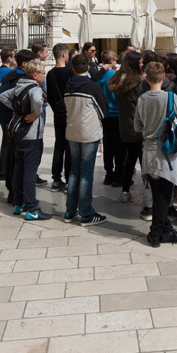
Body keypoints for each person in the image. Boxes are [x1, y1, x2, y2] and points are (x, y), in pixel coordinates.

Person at [135, 61, 177, 246]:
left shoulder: (142, 98)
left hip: (148, 151)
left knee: (159, 194)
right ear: (164, 77)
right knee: (164, 196)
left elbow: (137, 126)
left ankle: (166, 231)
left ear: (146, 78)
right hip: (166, 152)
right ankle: (155, 232)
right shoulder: (170, 97)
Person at [64, 53, 108, 225]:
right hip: (89, 133)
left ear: (73, 69)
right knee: (86, 174)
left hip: (72, 131)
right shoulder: (92, 87)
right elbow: (103, 110)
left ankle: (70, 211)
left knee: (74, 171)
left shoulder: (68, 86)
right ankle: (86, 213)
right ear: (88, 68)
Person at [4, 61, 49, 220]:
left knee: (19, 169)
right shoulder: (35, 88)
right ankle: (32, 208)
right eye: (43, 73)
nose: (44, 76)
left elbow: (3, 96)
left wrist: (17, 110)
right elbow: (38, 101)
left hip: (19, 134)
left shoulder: (19, 85)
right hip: (32, 135)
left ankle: (18, 203)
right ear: (35, 75)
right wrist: (36, 113)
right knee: (30, 171)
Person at [109, 51, 145, 203]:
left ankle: (125, 190)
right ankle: (149, 189)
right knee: (143, 158)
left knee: (131, 156)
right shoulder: (138, 82)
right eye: (141, 62)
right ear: (134, 63)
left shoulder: (118, 79)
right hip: (139, 125)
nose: (142, 64)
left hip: (124, 124)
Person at [46, 44, 73, 191]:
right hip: (70, 114)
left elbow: (50, 96)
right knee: (69, 147)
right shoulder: (70, 72)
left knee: (59, 145)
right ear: (63, 55)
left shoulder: (50, 74)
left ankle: (56, 179)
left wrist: (57, 109)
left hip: (58, 114)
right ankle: (69, 179)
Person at [98, 50, 122, 187]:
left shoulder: (99, 76)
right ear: (112, 60)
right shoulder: (113, 75)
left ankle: (108, 173)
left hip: (104, 113)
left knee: (107, 145)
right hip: (115, 112)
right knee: (118, 146)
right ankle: (118, 175)